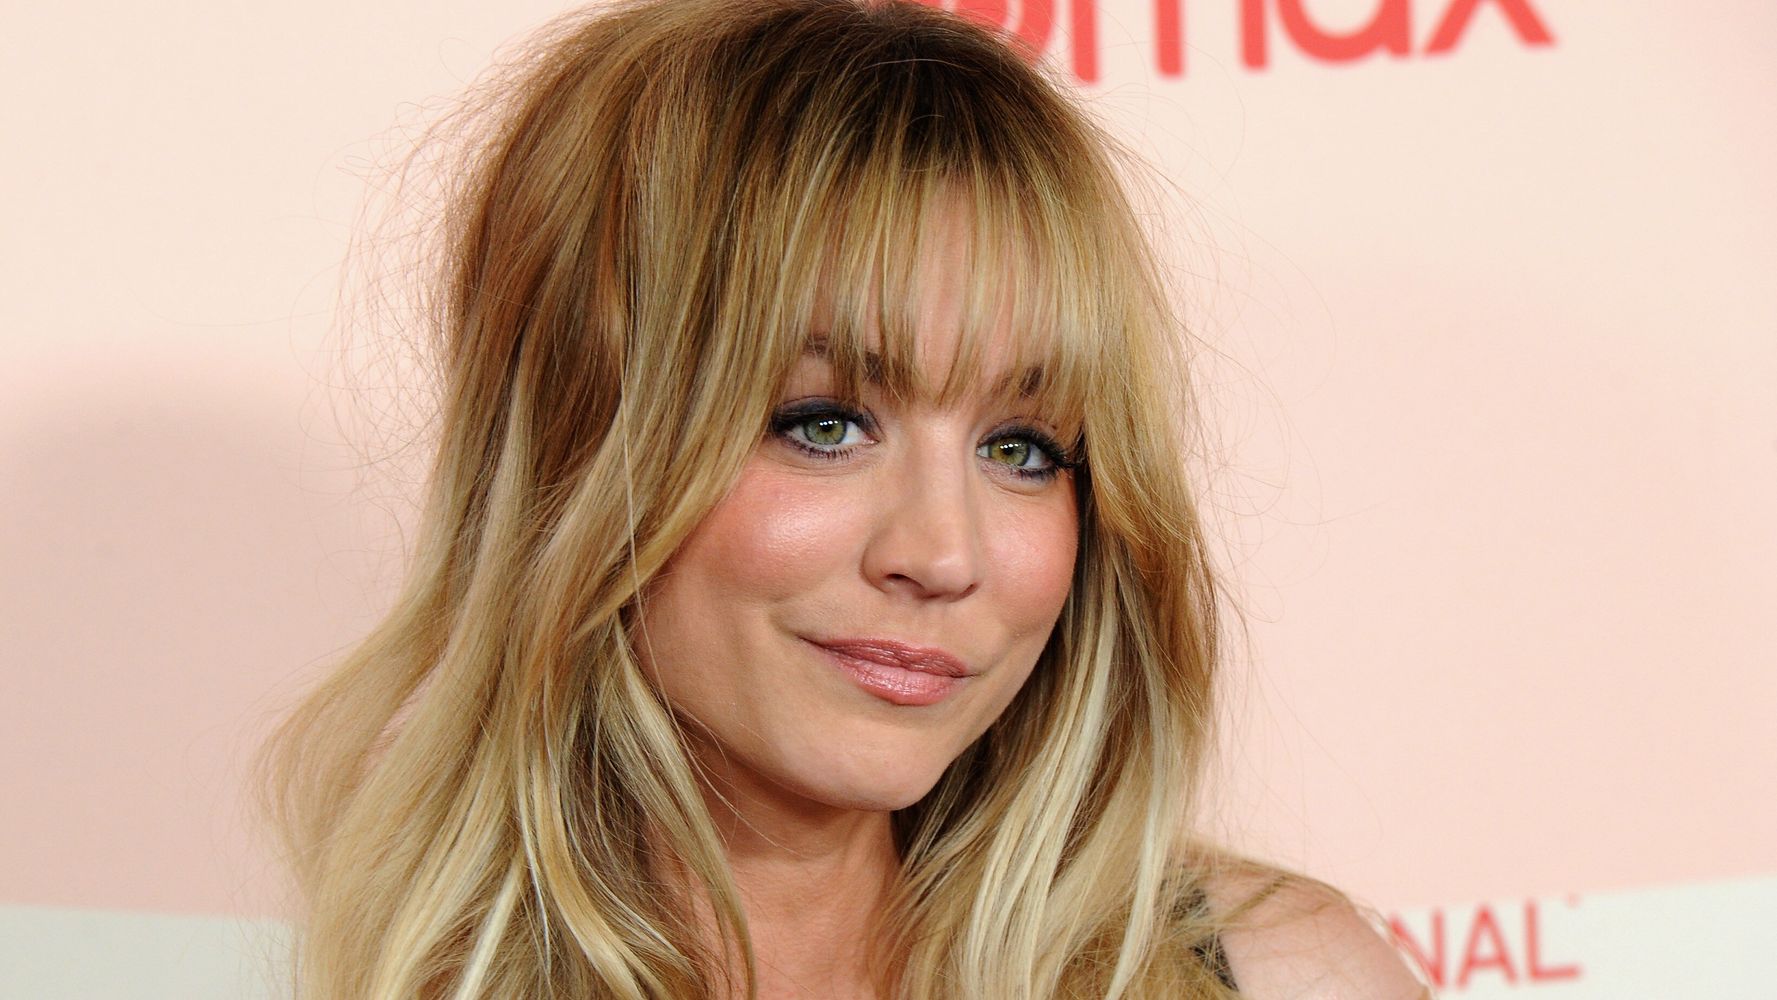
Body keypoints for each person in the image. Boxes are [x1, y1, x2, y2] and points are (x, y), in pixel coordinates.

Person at [259, 0, 1430, 997]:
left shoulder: (1274, 973)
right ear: (583, 438)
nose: (944, 552)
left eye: (1022, 448)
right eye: (824, 424)